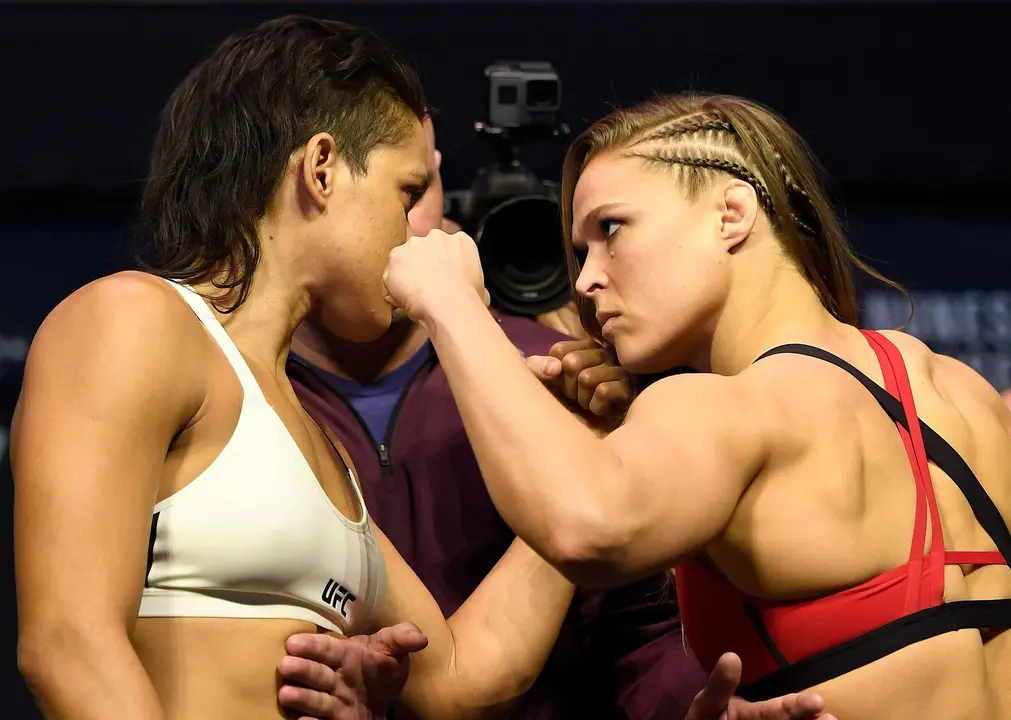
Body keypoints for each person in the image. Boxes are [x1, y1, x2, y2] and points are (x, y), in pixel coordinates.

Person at [12, 16, 584, 720]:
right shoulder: (133, 320)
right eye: (407, 194)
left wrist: (584, 454)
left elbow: (462, 675)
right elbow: (68, 645)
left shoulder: (316, 440)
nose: (425, 230)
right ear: (321, 168)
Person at [378, 93, 1011, 719]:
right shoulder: (960, 390)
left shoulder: (730, 408)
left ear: (732, 214)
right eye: (583, 248)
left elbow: (585, 527)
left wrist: (451, 304)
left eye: (612, 229)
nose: (585, 280)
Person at [280, 115, 706, 719]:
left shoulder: (564, 374)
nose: (409, 226)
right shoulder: (231, 390)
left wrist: (699, 705)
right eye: (397, 191)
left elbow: (640, 630)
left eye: (418, 191)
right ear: (316, 185)